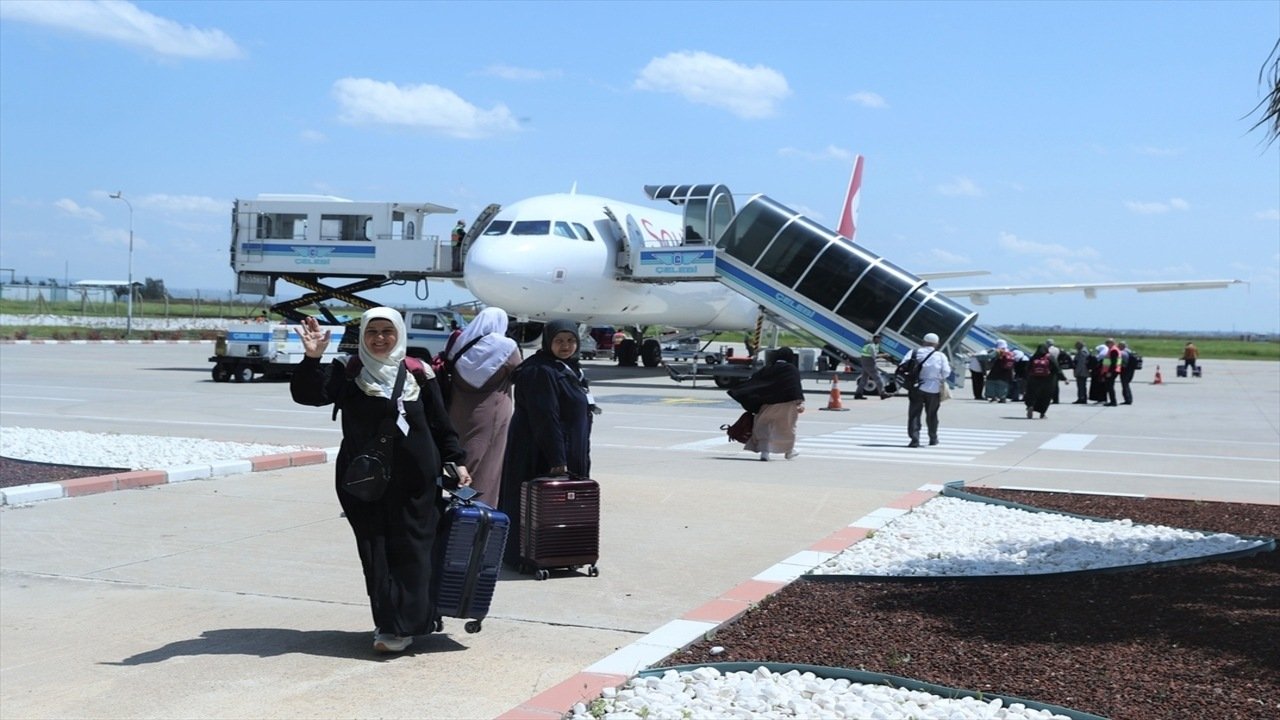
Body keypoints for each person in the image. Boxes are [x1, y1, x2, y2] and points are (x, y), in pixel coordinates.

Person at [291, 308, 470, 654]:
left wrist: (456, 461)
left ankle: (417, 619)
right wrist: (312, 358)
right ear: (362, 335)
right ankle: (391, 626)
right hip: (366, 482)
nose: (379, 338)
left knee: (416, 551)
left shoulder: (419, 372)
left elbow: (440, 423)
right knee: (378, 552)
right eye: (372, 331)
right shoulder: (349, 370)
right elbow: (309, 395)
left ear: (399, 334)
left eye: (388, 331)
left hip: (418, 481)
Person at [498, 320, 597, 565]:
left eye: (571, 340)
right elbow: (545, 417)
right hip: (541, 453)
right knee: (534, 507)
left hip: (569, 447)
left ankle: (560, 553)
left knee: (562, 507)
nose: (566, 346)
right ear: (547, 342)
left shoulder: (568, 368)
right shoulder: (540, 370)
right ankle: (528, 555)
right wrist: (557, 459)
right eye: (559, 341)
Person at [446, 307, 522, 506]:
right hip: (492, 413)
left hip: (459, 410)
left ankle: (458, 506)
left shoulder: (460, 342)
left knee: (464, 460)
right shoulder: (505, 346)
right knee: (488, 466)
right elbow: (518, 372)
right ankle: (480, 512)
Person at [728, 347, 806, 461]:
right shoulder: (791, 369)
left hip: (768, 404)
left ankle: (765, 452)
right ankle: (789, 451)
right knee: (786, 427)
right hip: (787, 404)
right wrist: (800, 402)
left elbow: (756, 384)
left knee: (764, 426)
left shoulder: (768, 369)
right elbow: (794, 387)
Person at [903, 333, 951, 448]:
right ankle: (933, 438)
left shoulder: (913, 352)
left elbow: (903, 366)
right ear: (937, 344)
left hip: (916, 387)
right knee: (932, 414)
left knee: (914, 414)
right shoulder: (940, 356)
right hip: (933, 389)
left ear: (923, 342)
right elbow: (946, 372)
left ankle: (915, 439)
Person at [1023, 343, 1065, 419]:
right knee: (1045, 397)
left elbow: (1027, 368)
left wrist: (1027, 377)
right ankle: (1042, 413)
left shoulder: (1033, 357)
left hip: (1033, 380)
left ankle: (1030, 406)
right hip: (1048, 381)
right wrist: (1064, 378)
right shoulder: (1050, 357)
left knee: (1031, 395)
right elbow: (1057, 368)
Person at [852, 334, 890, 400]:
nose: (880, 341)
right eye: (879, 339)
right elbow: (874, 356)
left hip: (865, 362)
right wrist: (884, 355)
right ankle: (883, 394)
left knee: (864, 380)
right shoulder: (871, 346)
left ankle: (858, 394)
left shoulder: (869, 345)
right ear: (875, 339)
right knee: (878, 378)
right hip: (869, 363)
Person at [1117, 340, 1136, 405]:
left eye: (1119, 345)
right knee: (1126, 385)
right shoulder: (1129, 351)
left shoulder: (1122, 352)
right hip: (1131, 370)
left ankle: (1128, 399)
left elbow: (1120, 362)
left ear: (1122, 346)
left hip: (1125, 370)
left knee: (1125, 385)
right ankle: (1129, 399)